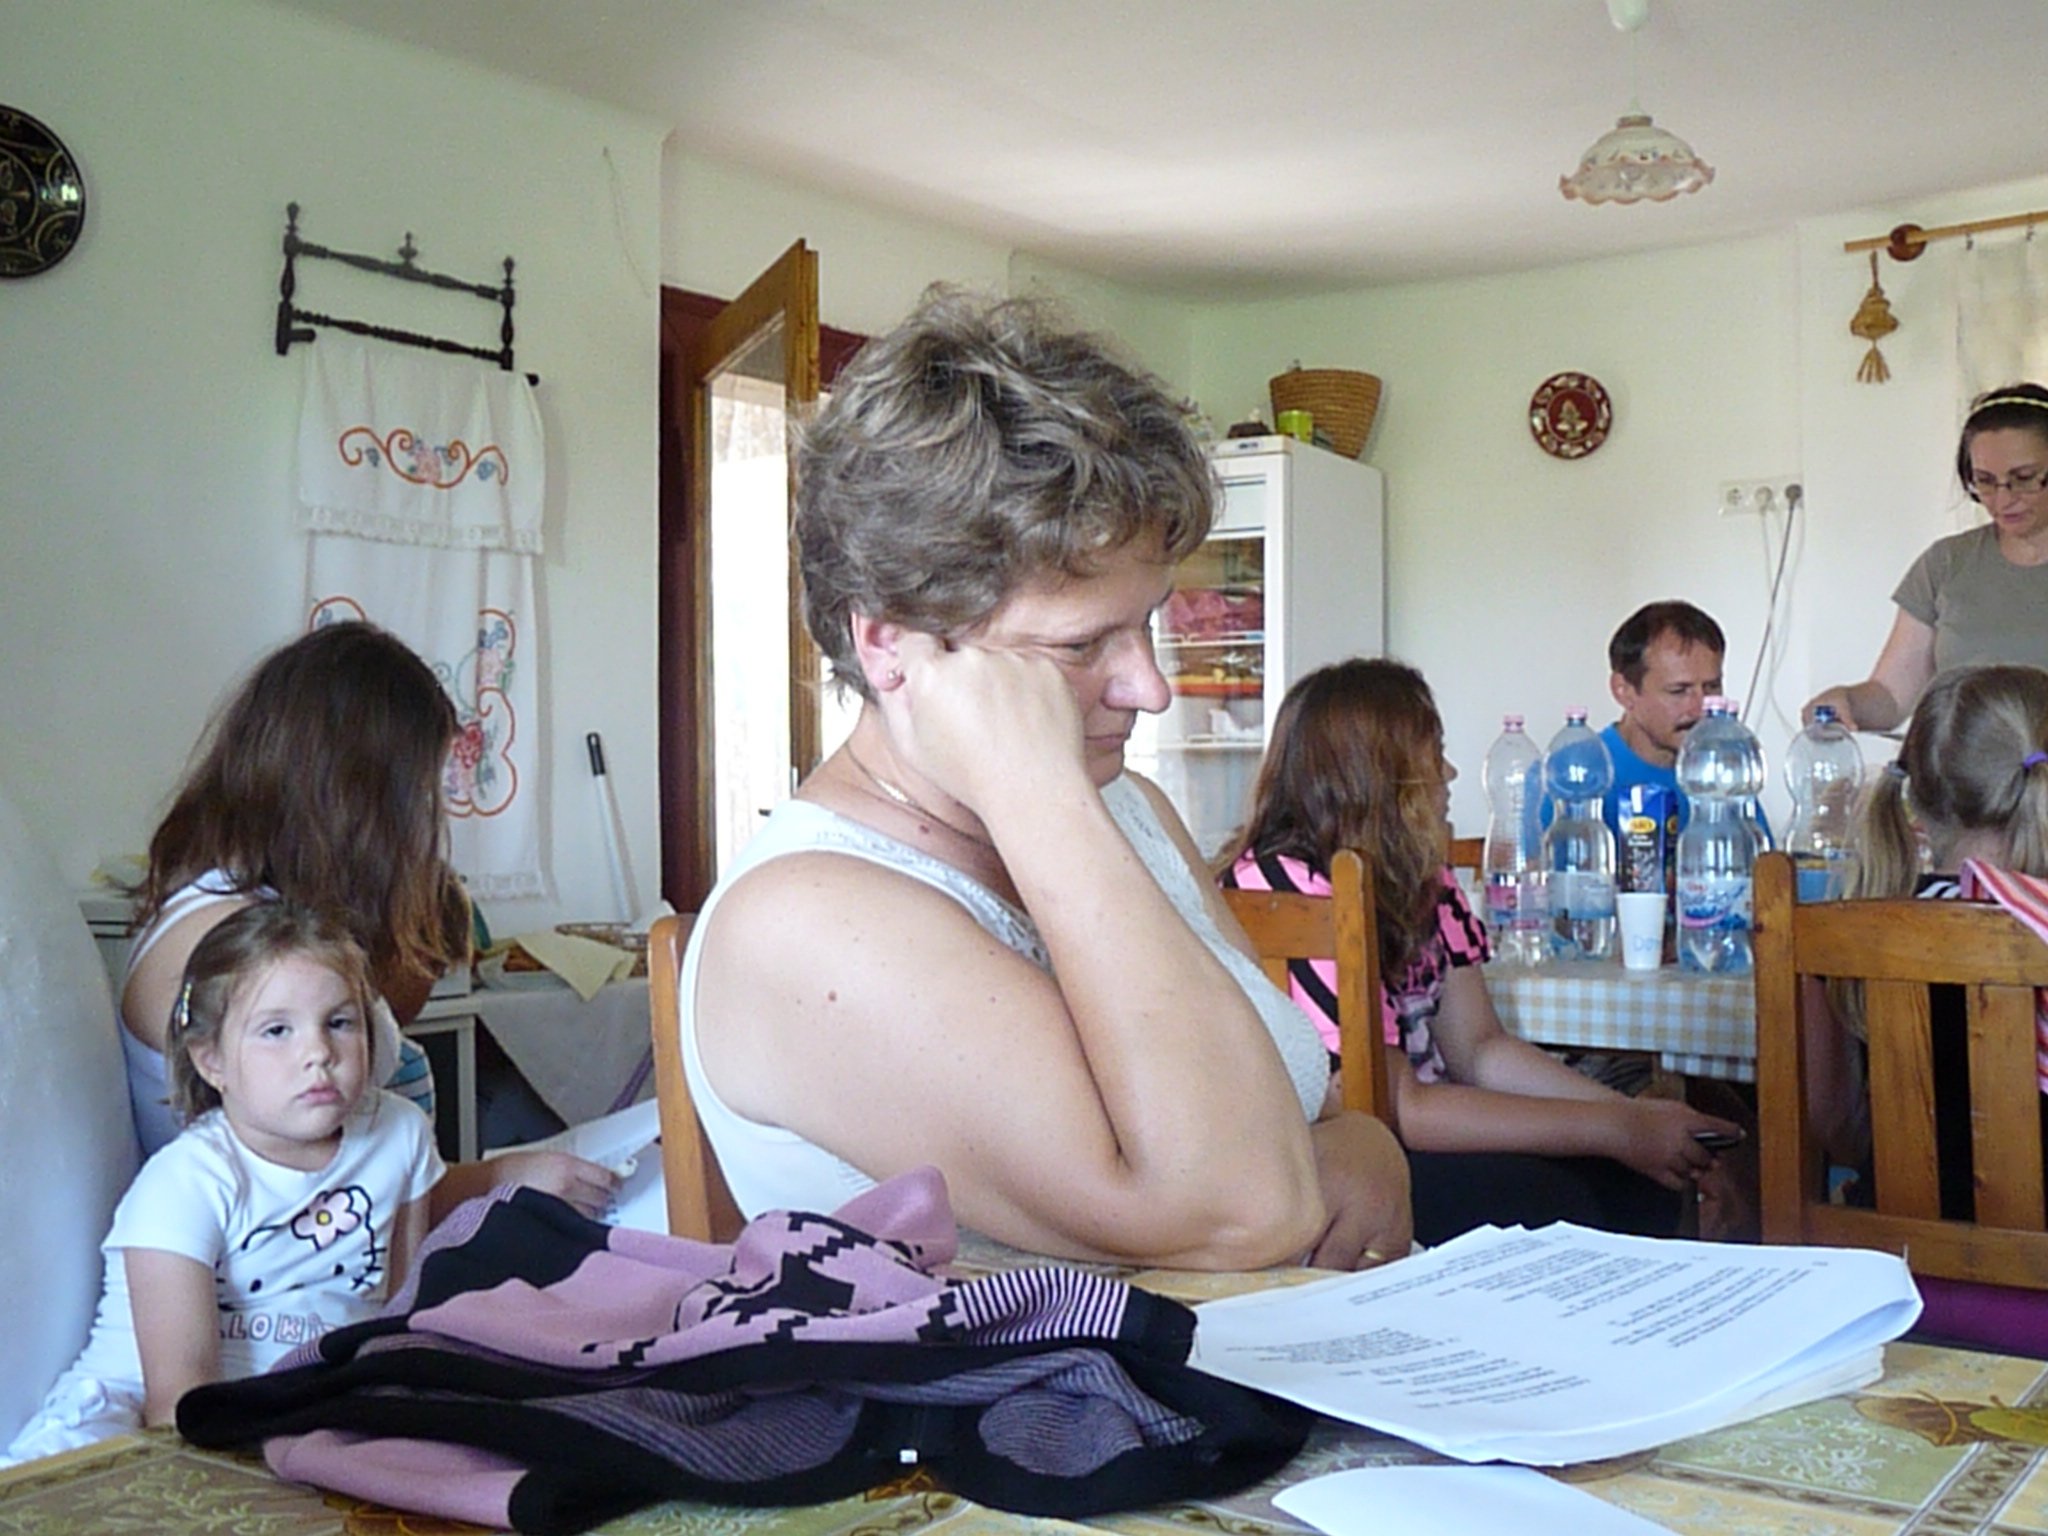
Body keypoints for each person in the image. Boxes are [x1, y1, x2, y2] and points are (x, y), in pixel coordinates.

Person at [680, 287, 1411, 1271]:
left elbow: (1283, 1098)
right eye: (1079, 645)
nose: (1149, 687)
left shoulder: (1129, 809)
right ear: (891, 643)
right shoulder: (803, 924)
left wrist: (1362, 1141)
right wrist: (1033, 791)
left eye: (1146, 622)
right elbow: (1242, 1208)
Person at [1221, 658, 1742, 1247]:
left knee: (1638, 1181)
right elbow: (1398, 1109)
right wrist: (1615, 1129)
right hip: (1345, 1157)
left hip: (1419, 1128)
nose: (1449, 772)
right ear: (1379, 775)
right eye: (1432, 754)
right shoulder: (1284, 891)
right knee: (1561, 1201)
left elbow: (1481, 1049)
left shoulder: (1424, 878)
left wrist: (1633, 1121)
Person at [121, 622, 614, 1218]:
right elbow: (325, 1211)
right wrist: (502, 1176)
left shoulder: (219, 904)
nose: (430, 823)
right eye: (423, 795)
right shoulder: (249, 952)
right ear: (367, 802)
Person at [4, 904, 442, 1465]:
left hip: (306, 1403)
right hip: (146, 1412)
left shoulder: (400, 1134)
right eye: (276, 1030)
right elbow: (179, 1406)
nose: (318, 1053)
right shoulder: (184, 1182)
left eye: (339, 1022)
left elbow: (396, 1318)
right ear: (211, 1061)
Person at [1807, 664, 2048, 1193]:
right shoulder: (2038, 925)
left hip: (1893, 1237)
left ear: (1915, 799)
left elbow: (1832, 1124)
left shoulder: (1837, 931)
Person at [1808, 385, 2048, 732]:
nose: (2003, 499)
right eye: (1984, 482)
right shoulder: (1946, 564)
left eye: (2023, 479)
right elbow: (1892, 697)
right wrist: (1846, 701)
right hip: (1962, 764)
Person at [1599, 600, 1769, 840]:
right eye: (1678, 691)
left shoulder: (1720, 766)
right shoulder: (1582, 771)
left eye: (1712, 687)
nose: (1700, 709)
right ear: (1623, 691)